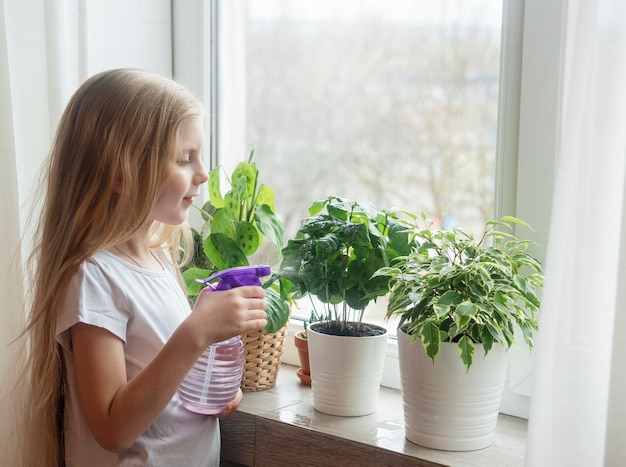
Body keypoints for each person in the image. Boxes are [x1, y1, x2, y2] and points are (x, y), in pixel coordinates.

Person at [15, 69, 268, 466]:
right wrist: (195, 332)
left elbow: (160, 375)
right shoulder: (94, 279)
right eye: (185, 159)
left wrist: (211, 387)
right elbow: (113, 428)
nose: (202, 172)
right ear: (120, 173)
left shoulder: (160, 262)